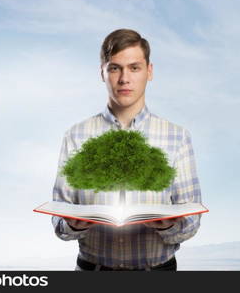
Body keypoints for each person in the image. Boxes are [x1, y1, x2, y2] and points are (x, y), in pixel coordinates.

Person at [51, 29, 203, 271]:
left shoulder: (176, 136)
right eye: (114, 68)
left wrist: (168, 226)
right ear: (102, 72)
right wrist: (73, 225)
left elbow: (192, 221)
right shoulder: (76, 135)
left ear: (149, 72)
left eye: (134, 68)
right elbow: (59, 220)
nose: (124, 79)